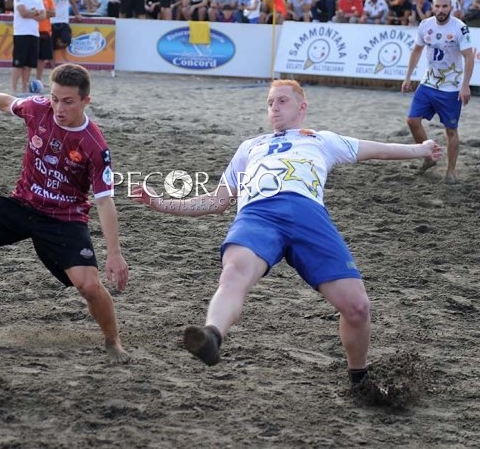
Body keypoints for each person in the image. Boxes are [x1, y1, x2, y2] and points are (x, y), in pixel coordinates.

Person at [130, 79, 443, 392]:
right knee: (234, 272)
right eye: (270, 102)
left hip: (308, 215)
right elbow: (218, 200)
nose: (274, 108)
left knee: (357, 307)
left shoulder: (322, 140)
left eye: (282, 101)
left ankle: (359, 379)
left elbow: (377, 149)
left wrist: (421, 149)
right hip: (257, 214)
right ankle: (212, 337)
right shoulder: (249, 147)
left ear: (301, 107)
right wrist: (160, 203)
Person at [0, 64, 130, 364]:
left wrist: (114, 253)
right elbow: (7, 101)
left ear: (85, 101)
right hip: (23, 204)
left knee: (89, 286)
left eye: (68, 101)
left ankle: (112, 340)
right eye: (54, 98)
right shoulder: (39, 109)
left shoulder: (94, 145)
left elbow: (104, 202)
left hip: (64, 218)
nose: (58, 108)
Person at [402, 0, 475, 184]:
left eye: (445, 6)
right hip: (428, 83)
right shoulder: (425, 25)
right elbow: (417, 50)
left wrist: (465, 85)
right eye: (437, 6)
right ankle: (429, 157)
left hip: (451, 88)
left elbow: (469, 56)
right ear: (432, 7)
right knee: (412, 121)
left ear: (451, 7)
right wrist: (408, 77)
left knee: (451, 130)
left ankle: (451, 172)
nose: (441, 10)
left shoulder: (460, 28)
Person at [11, 0, 45, 93]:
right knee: (18, 63)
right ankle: (14, 88)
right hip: (21, 33)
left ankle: (24, 88)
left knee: (29, 64)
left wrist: (33, 13)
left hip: (34, 33)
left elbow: (43, 16)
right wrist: (35, 13)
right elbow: (23, 13)